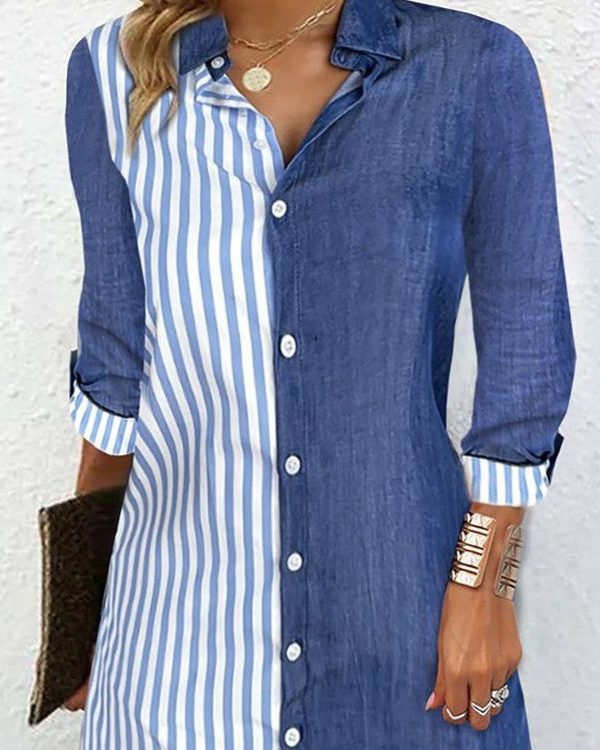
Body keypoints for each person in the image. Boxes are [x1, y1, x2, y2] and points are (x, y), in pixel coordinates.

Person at [62, 0, 576, 747]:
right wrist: (78, 618)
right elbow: (115, 376)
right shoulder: (113, 72)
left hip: (405, 633)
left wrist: (487, 587)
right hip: (172, 652)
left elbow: (526, 346)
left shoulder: (473, 68)